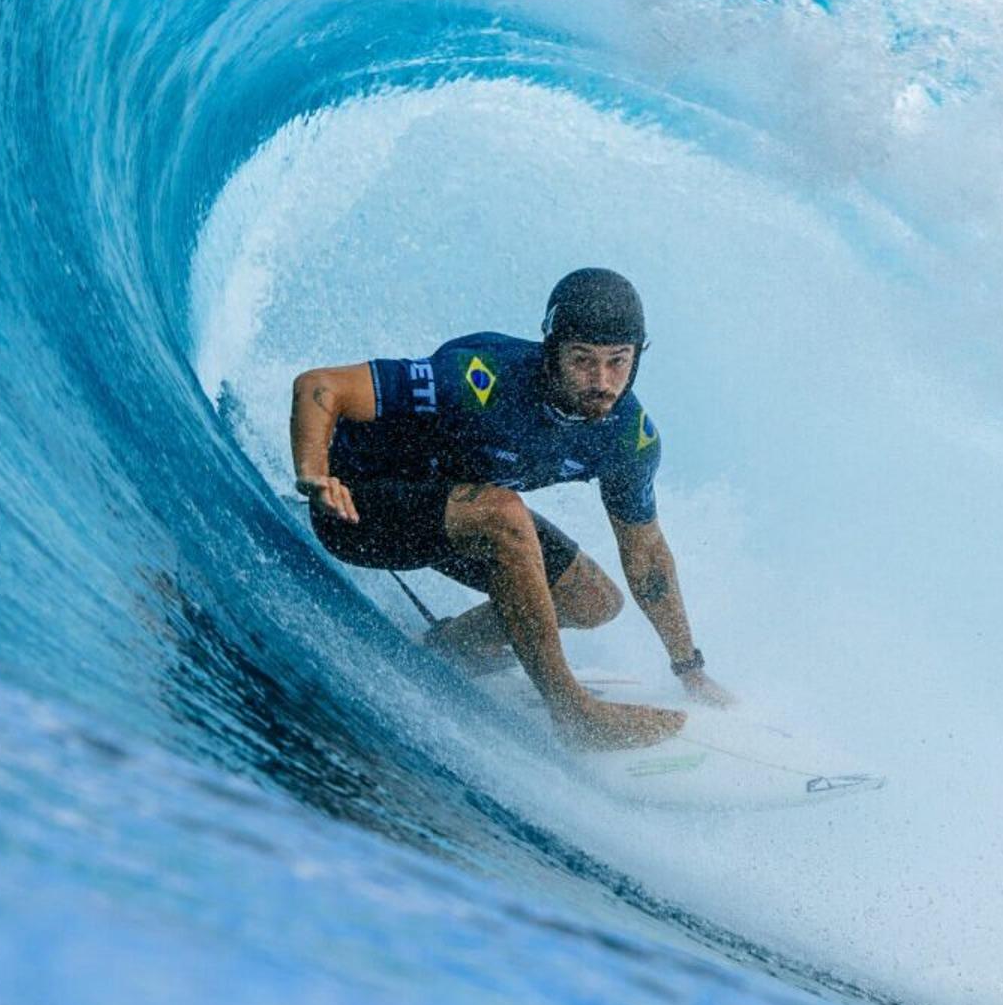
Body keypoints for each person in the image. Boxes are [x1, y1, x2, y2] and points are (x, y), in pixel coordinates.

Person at [290, 267, 732, 750]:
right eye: (582, 360)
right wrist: (315, 477)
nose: (601, 381)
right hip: (361, 512)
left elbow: (646, 555)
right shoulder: (480, 377)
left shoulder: (627, 437)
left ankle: (445, 650)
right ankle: (572, 709)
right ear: (552, 349)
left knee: (594, 600)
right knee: (504, 513)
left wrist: (689, 669)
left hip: (457, 522)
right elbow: (320, 386)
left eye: (617, 362)